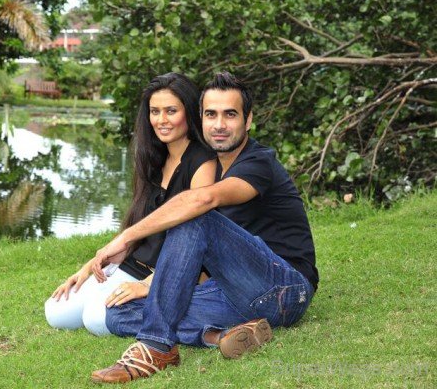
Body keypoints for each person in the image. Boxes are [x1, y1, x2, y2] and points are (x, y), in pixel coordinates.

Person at [89, 72, 319, 383]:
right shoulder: (213, 166)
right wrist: (151, 286)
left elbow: (204, 201)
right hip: (236, 294)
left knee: (195, 215)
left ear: (248, 120)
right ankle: (219, 336)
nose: (219, 124)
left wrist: (128, 237)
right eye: (211, 114)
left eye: (230, 114)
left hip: (286, 288)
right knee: (119, 312)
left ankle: (156, 347)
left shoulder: (258, 163)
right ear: (201, 118)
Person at [44, 72, 216, 336]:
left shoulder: (203, 162)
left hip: (167, 275)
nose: (162, 120)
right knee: (57, 312)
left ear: (189, 112)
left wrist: (149, 284)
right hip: (132, 264)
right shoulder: (153, 157)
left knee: (96, 320)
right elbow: (136, 226)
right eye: (155, 111)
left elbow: (198, 239)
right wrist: (89, 268)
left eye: (171, 111)